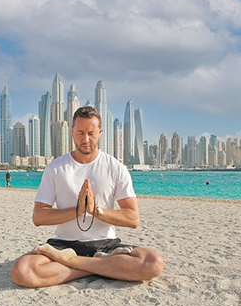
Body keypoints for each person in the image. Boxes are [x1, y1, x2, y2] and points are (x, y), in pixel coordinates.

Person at [10, 106, 164, 288]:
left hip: (105, 246)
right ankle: (102, 268)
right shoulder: (56, 168)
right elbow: (39, 217)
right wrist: (78, 211)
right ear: (72, 132)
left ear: (100, 133)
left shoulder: (115, 167)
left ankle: (73, 263)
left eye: (91, 133)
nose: (86, 139)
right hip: (64, 243)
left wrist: (95, 211)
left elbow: (133, 218)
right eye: (80, 133)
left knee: (153, 263)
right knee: (23, 272)